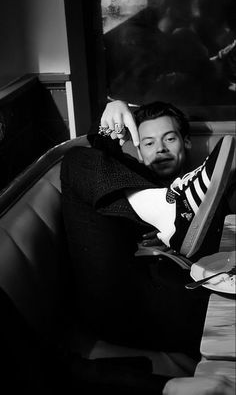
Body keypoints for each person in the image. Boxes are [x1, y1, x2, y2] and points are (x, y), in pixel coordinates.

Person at [60, 100, 235, 364]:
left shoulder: (210, 186)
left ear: (186, 142)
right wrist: (113, 112)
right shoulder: (127, 176)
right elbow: (101, 153)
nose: (161, 149)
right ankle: (165, 210)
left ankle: (173, 214)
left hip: (186, 294)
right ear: (139, 150)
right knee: (75, 158)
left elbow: (219, 249)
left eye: (169, 139)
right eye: (149, 143)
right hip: (123, 292)